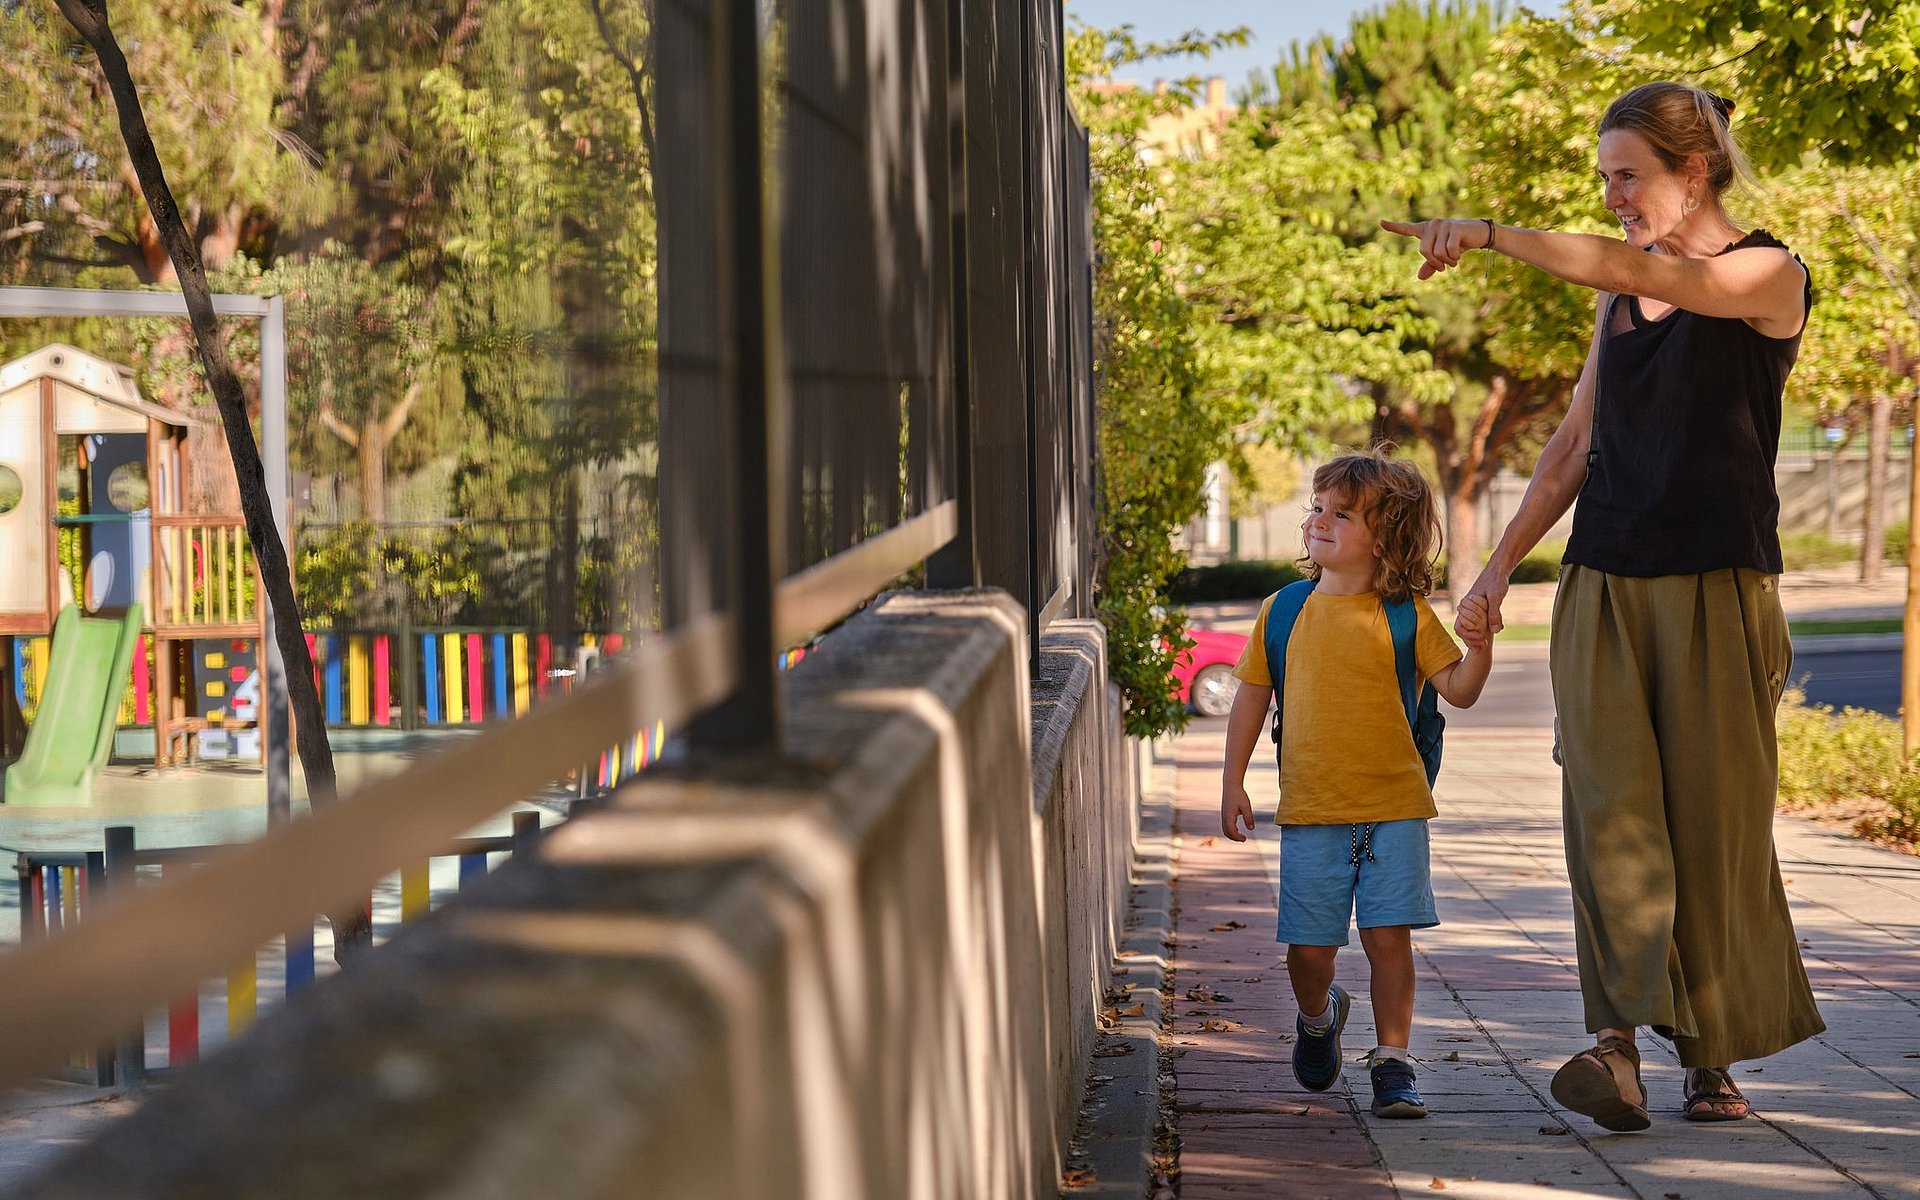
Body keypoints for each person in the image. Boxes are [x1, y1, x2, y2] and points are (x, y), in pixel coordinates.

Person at [1381, 81, 1826, 1130]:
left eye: (1631, 176)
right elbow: (1576, 445)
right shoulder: (1618, 303)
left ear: (1696, 170)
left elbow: (1642, 262)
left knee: (1713, 828)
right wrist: (1494, 572)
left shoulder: (1769, 275)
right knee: (1609, 819)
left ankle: (1713, 1057)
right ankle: (1617, 1048)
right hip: (1605, 583)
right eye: (1606, 180)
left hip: (1722, 588)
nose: (1618, 197)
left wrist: (1488, 233)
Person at [1219, 449, 1492, 1119]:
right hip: (1312, 811)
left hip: (1394, 809)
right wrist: (1233, 782)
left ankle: (1394, 1063)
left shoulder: (1407, 615)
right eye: (1318, 507)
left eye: (1342, 514)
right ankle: (1319, 1018)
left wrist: (1480, 647)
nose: (1319, 521)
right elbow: (1252, 696)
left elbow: (1457, 690)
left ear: (1386, 539)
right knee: (1309, 953)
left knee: (1388, 938)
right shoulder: (1283, 610)